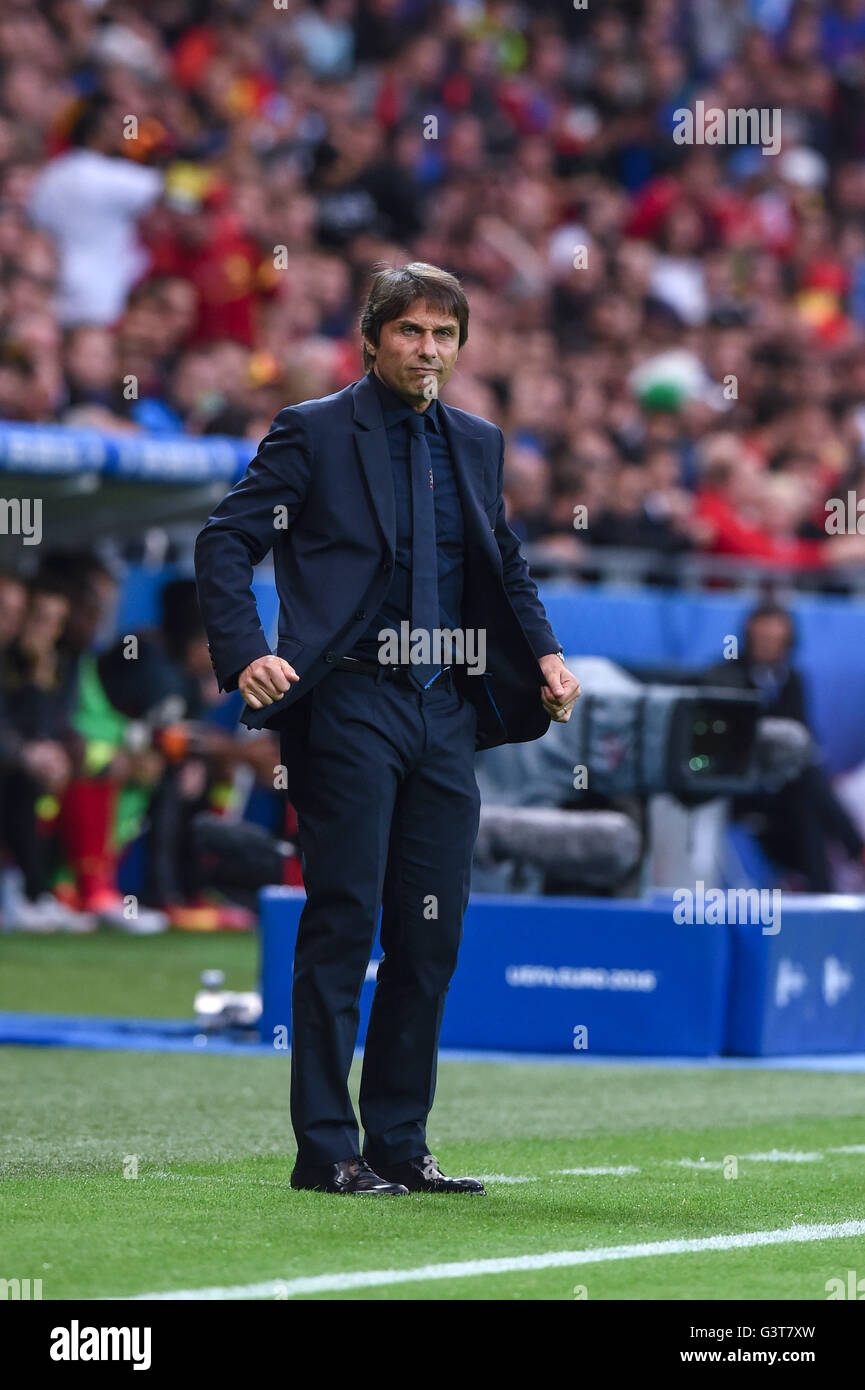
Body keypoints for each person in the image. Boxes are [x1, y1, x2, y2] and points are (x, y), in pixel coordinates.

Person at [195, 262, 580, 1195]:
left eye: (444, 334)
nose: (428, 348)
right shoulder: (313, 429)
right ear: (371, 339)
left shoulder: (478, 443)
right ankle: (326, 1150)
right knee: (342, 918)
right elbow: (225, 541)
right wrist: (247, 650)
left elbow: (508, 566)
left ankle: (401, 1144)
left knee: (429, 932)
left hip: (443, 707)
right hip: (350, 702)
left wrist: (547, 657)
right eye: (409, 331)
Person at [703, 602, 865, 892]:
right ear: (749, 636)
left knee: (806, 798)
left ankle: (820, 892)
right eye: (763, 637)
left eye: (776, 639)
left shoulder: (793, 679)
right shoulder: (724, 677)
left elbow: (804, 735)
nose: (769, 644)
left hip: (782, 789)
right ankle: (855, 851)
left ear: (788, 641)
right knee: (807, 783)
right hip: (737, 787)